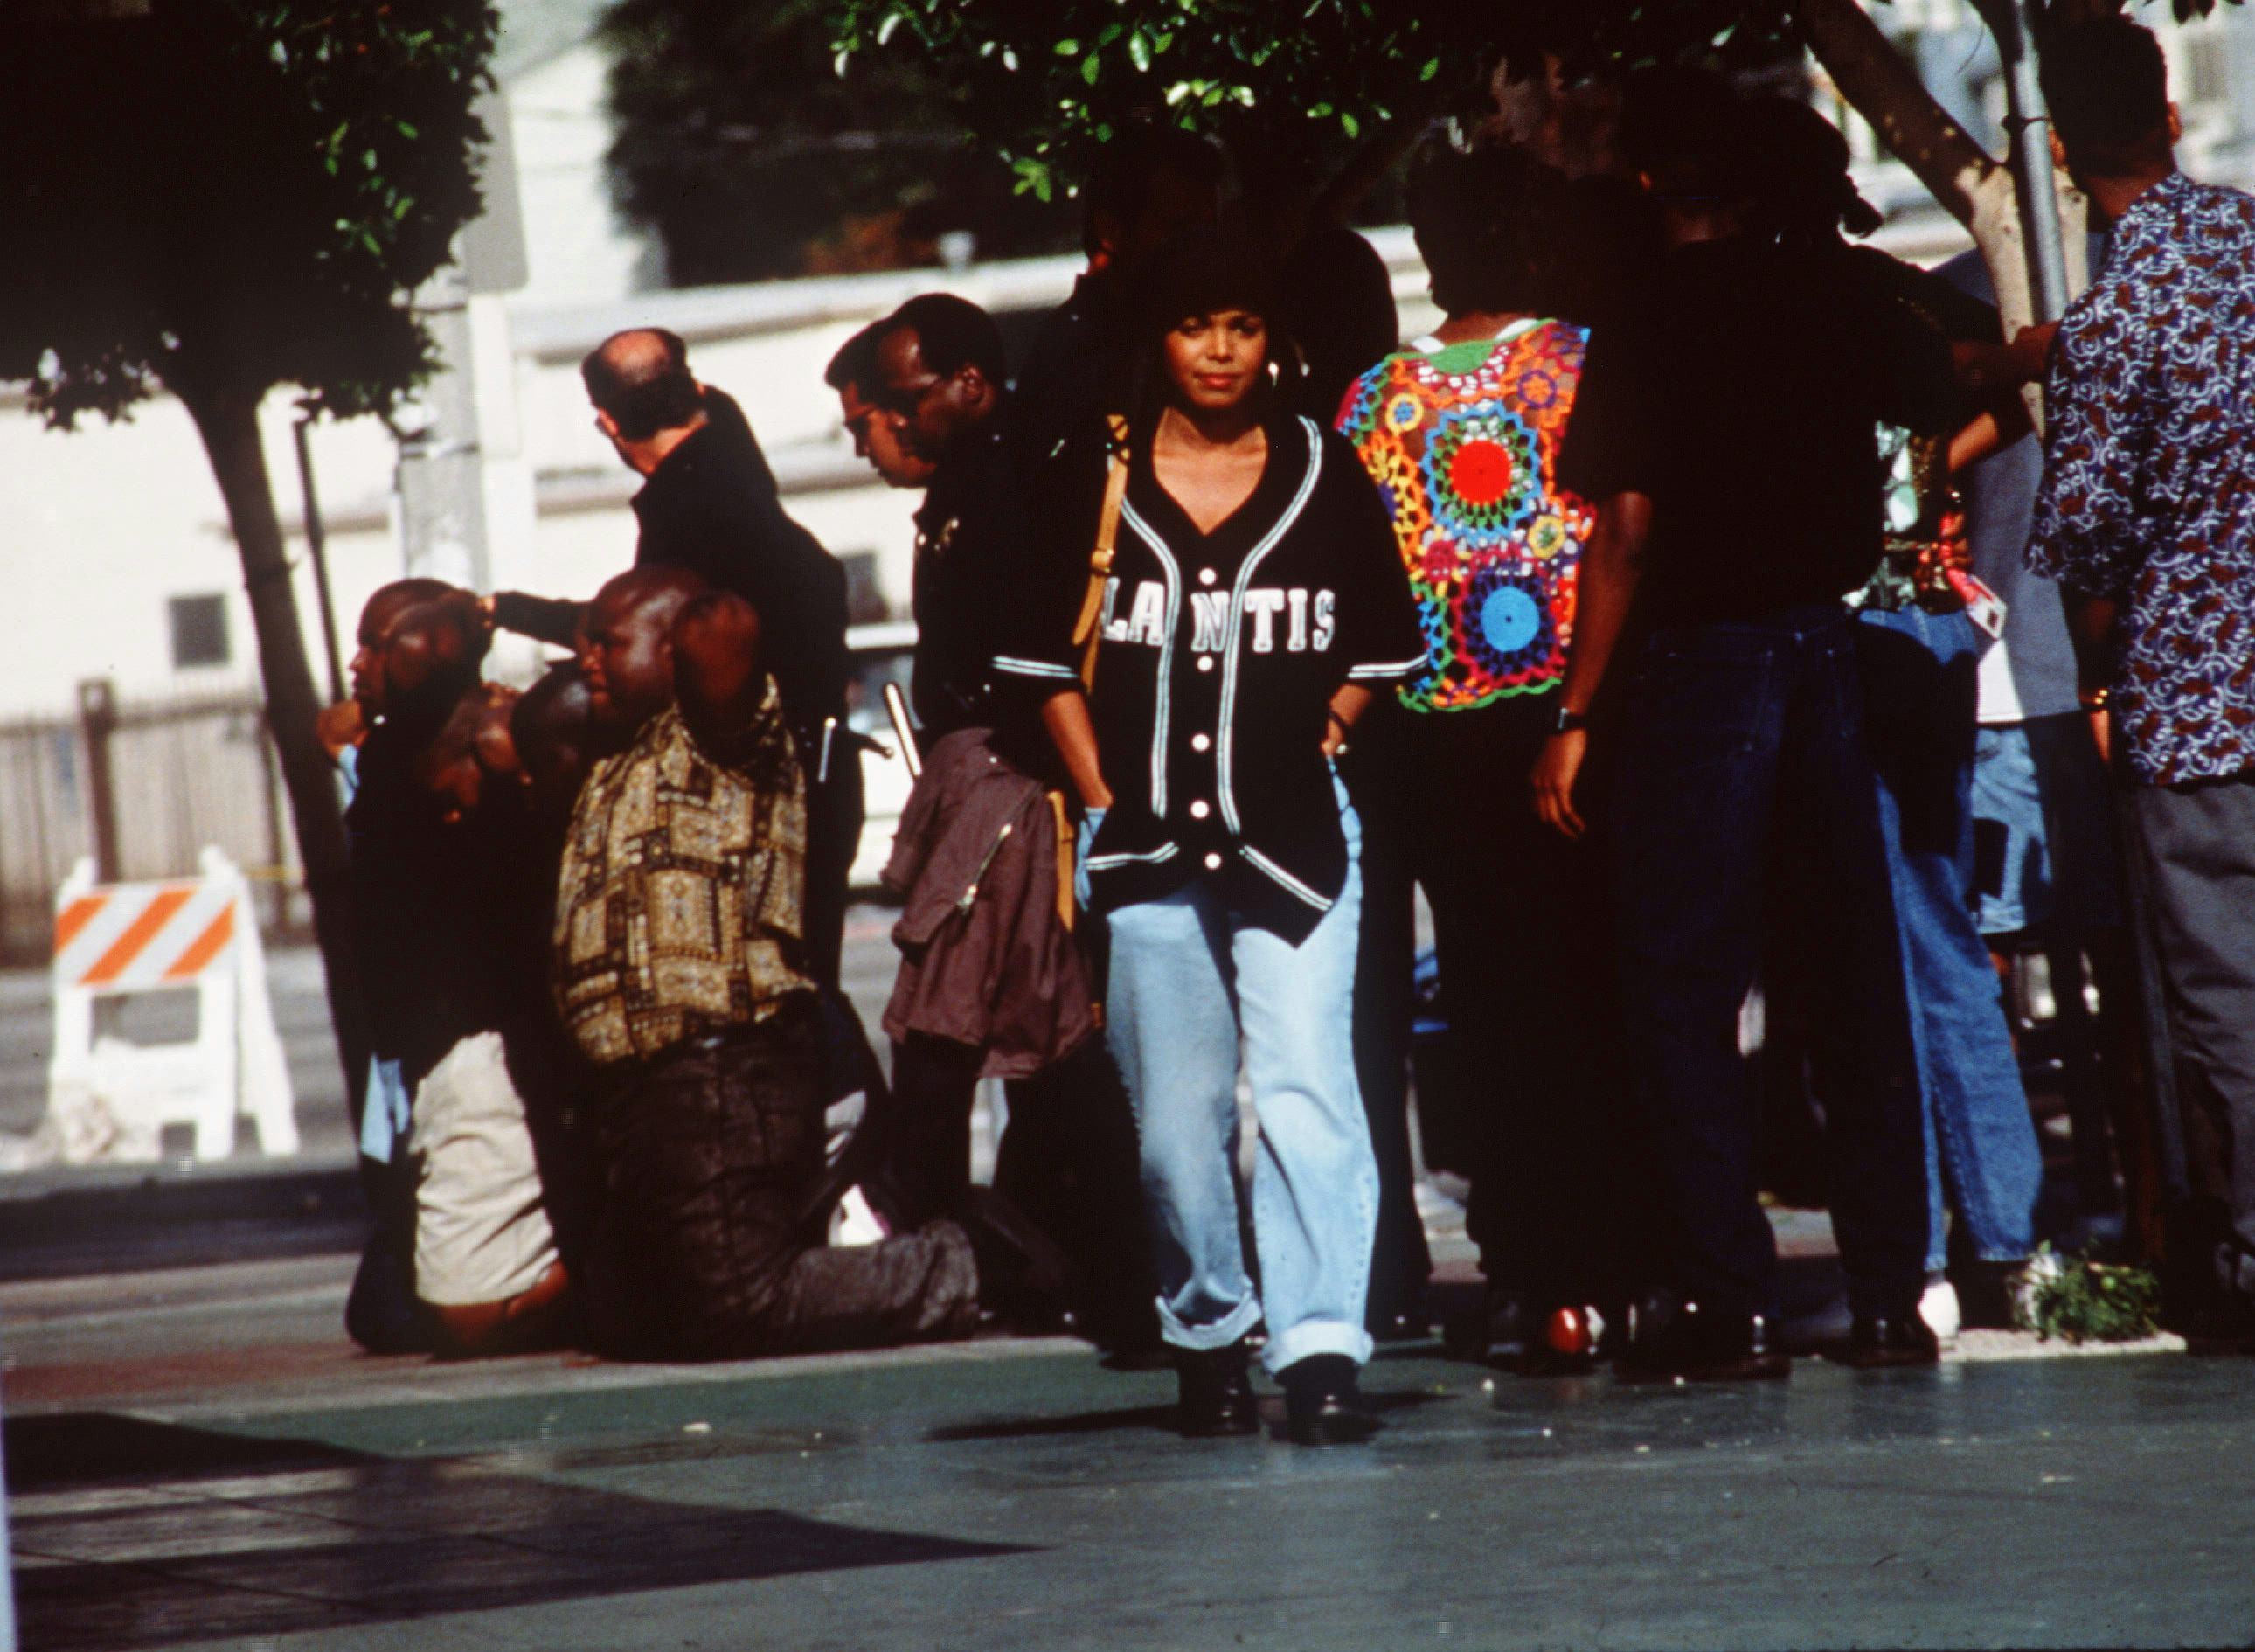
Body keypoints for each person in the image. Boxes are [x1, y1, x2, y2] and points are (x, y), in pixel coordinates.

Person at [1547, 78, 1952, 1378]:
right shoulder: (1840, 293)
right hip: (1824, 646)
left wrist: (1575, 710)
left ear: (1667, 194)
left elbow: (1626, 528)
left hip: (1701, 662)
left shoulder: (1649, 317)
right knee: (1850, 983)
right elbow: (1947, 389)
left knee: (1684, 985)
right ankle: (1891, 1287)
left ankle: (1732, 1293)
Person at [1001, 232, 1427, 1442]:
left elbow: (1382, 642)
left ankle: (1322, 1346)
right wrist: (1099, 796)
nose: (1222, 349)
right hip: (1141, 847)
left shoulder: (1321, 467)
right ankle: (1206, 1329)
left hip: (1295, 838)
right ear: (1160, 341)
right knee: (1178, 1128)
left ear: (1271, 337)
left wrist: (1328, 732)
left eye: (1242, 324)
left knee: (1308, 1091)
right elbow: (1041, 658)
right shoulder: (1097, 473)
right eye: (1198, 327)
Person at [1742, 94, 2049, 1343]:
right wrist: (1931, 464)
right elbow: (2025, 372)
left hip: (1835, 634)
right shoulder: (1900, 294)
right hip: (1927, 628)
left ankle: (1915, 1247)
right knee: (1938, 934)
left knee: (1868, 953)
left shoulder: (1760, 313)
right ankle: (2008, 1239)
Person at [1336, 139, 1638, 1368]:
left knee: (1492, 1001)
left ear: (1428, 246)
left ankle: (1531, 1274)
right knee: (1600, 985)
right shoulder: (1585, 363)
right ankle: (1626, 1257)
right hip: (1578, 712)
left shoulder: (1372, 402)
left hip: (1438, 733)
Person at [554, 566, 996, 1360]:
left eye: (608, 642)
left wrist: (698, 556)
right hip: (637, 1084)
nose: (587, 659)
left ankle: (973, 1267)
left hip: (721, 1063)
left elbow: (723, 628)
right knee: (625, 1312)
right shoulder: (616, 752)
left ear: (675, 643)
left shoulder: (723, 733)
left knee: (737, 1305)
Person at [861, 294, 1160, 1354]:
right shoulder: (964, 488)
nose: (889, 429)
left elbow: (1034, 642)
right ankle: (1082, 1273)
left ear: (971, 387)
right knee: (1039, 1043)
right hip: (983, 774)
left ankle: (966, 1255)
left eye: (903, 401)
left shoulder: (1006, 477)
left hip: (1012, 782)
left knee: (980, 1033)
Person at [2030, 17, 2255, 1346]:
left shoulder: (2114, 321)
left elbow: (2090, 544)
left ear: (2061, 149)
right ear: (2172, 117)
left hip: (2197, 701)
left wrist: (2110, 675)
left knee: (2227, 990)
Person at [488, 328, 863, 992]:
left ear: (606, 422)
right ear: (694, 390)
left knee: (779, 989)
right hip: (825, 767)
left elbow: (635, 632)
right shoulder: (731, 460)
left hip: (772, 797)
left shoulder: (688, 516)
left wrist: (508, 610)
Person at [350, 594, 572, 1357]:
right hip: (431, 1070)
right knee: (383, 1310)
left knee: (458, 1319)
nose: (359, 665)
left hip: (483, 1055)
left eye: (378, 647)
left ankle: (619, 1268)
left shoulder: (495, 747)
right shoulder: (393, 761)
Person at [1011, 123, 1226, 472]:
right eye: (1180, 228)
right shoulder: (1075, 352)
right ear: (1111, 231)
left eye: (1210, 230)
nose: (1200, 248)